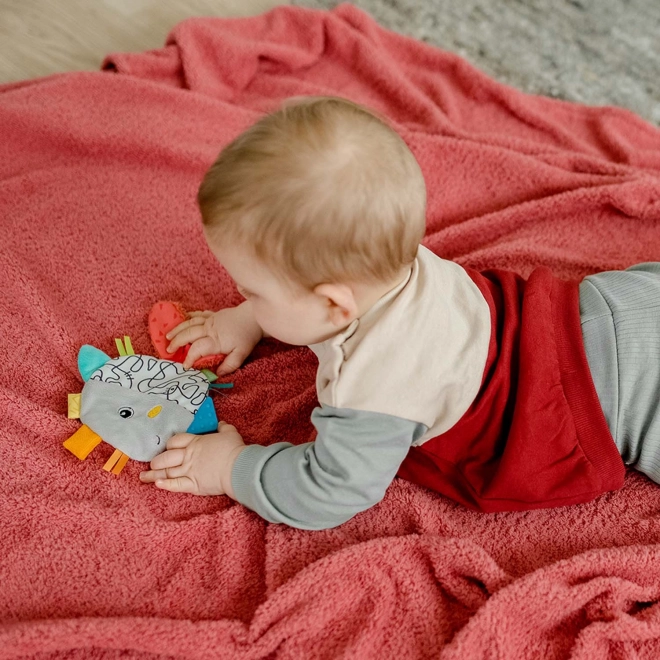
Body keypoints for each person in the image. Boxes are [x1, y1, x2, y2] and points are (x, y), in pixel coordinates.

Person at [139, 96, 660, 529]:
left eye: (252, 292)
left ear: (331, 303)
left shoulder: (372, 388)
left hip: (612, 400)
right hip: (620, 304)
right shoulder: (385, 254)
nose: (238, 294)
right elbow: (313, 307)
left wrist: (231, 467)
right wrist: (253, 318)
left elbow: (326, 492)